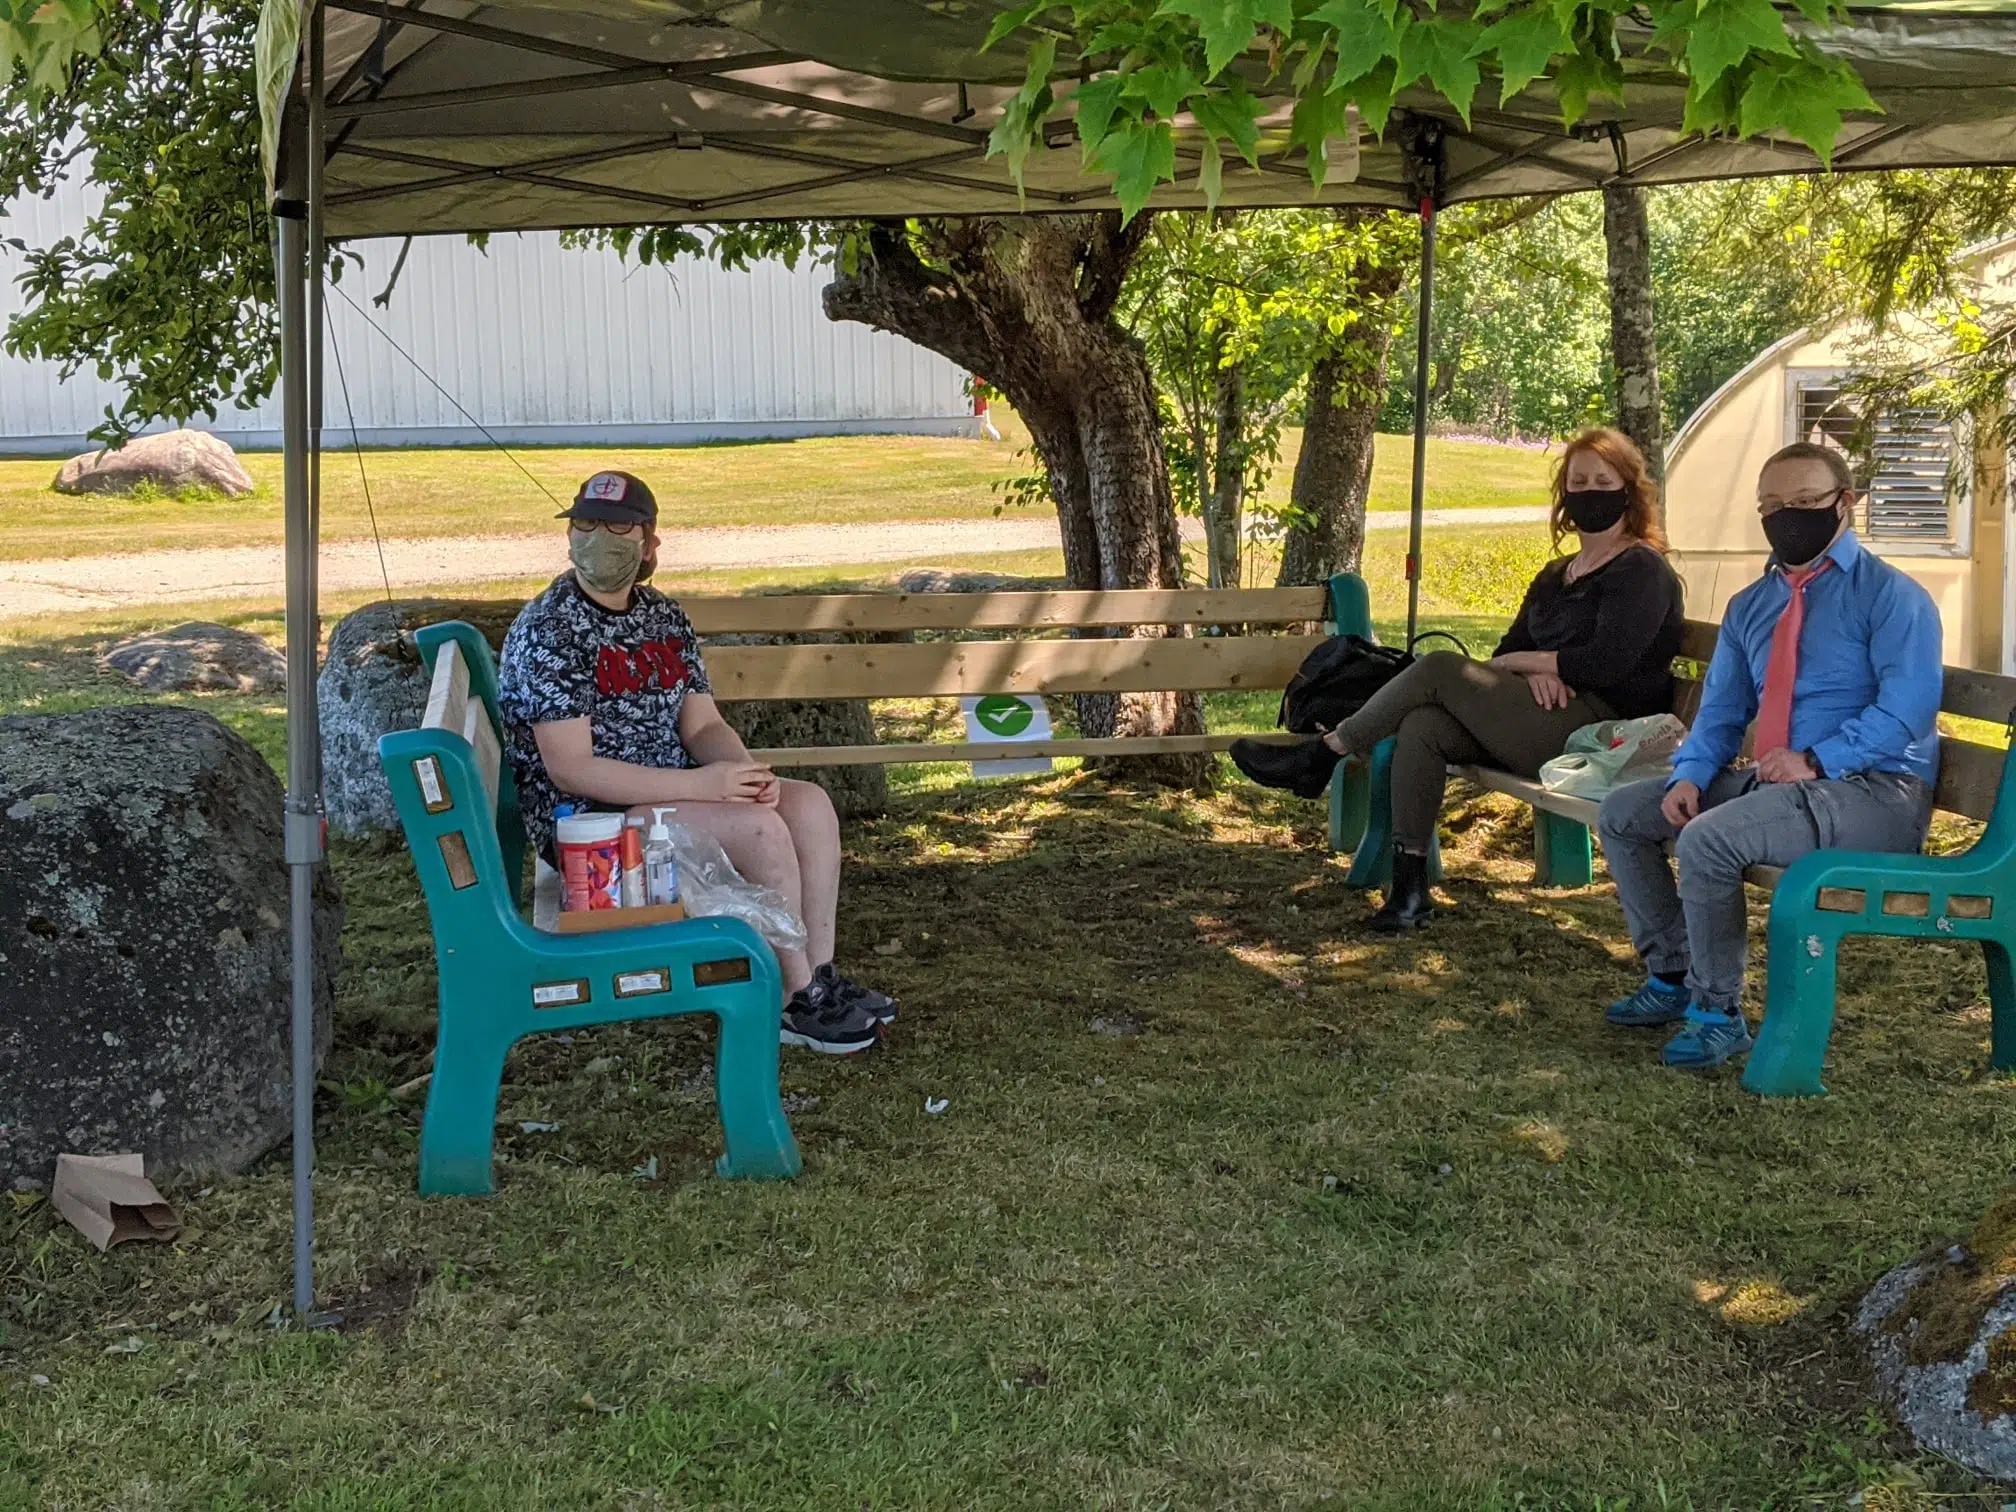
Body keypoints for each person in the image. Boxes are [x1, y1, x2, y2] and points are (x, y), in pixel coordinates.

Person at [496, 469, 896, 1056]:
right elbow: (571, 769)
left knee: (806, 805)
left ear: (648, 542)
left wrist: (743, 773)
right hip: (594, 827)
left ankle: (818, 974)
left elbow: (702, 724)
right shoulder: (549, 630)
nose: (598, 537)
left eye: (618, 525)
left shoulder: (663, 617)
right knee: (758, 828)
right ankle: (790, 999)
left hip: (673, 796)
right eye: (585, 523)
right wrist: (706, 785)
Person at [1233, 427, 1684, 933]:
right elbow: (1506, 651)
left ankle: (1325, 751)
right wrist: (1537, 666)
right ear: (1564, 494)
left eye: (1603, 480)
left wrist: (1533, 664)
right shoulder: (1558, 574)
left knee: (1440, 666)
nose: (1589, 492)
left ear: (1628, 489)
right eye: (1578, 481)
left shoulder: (1643, 569)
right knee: (1423, 725)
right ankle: (1408, 890)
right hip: (1540, 721)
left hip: (1601, 738)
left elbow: (1606, 663)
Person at [1595, 442, 1942, 1070]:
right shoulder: (1752, 605)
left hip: (1875, 792)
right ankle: (1671, 974)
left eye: (1806, 502)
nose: (1788, 516)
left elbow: (1908, 709)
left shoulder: (1892, 597)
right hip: (1780, 785)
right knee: (1623, 813)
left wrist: (1817, 759)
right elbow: (1722, 710)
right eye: (1771, 506)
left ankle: (1717, 1011)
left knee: (1707, 840)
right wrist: (1692, 774)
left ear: (1848, 503)